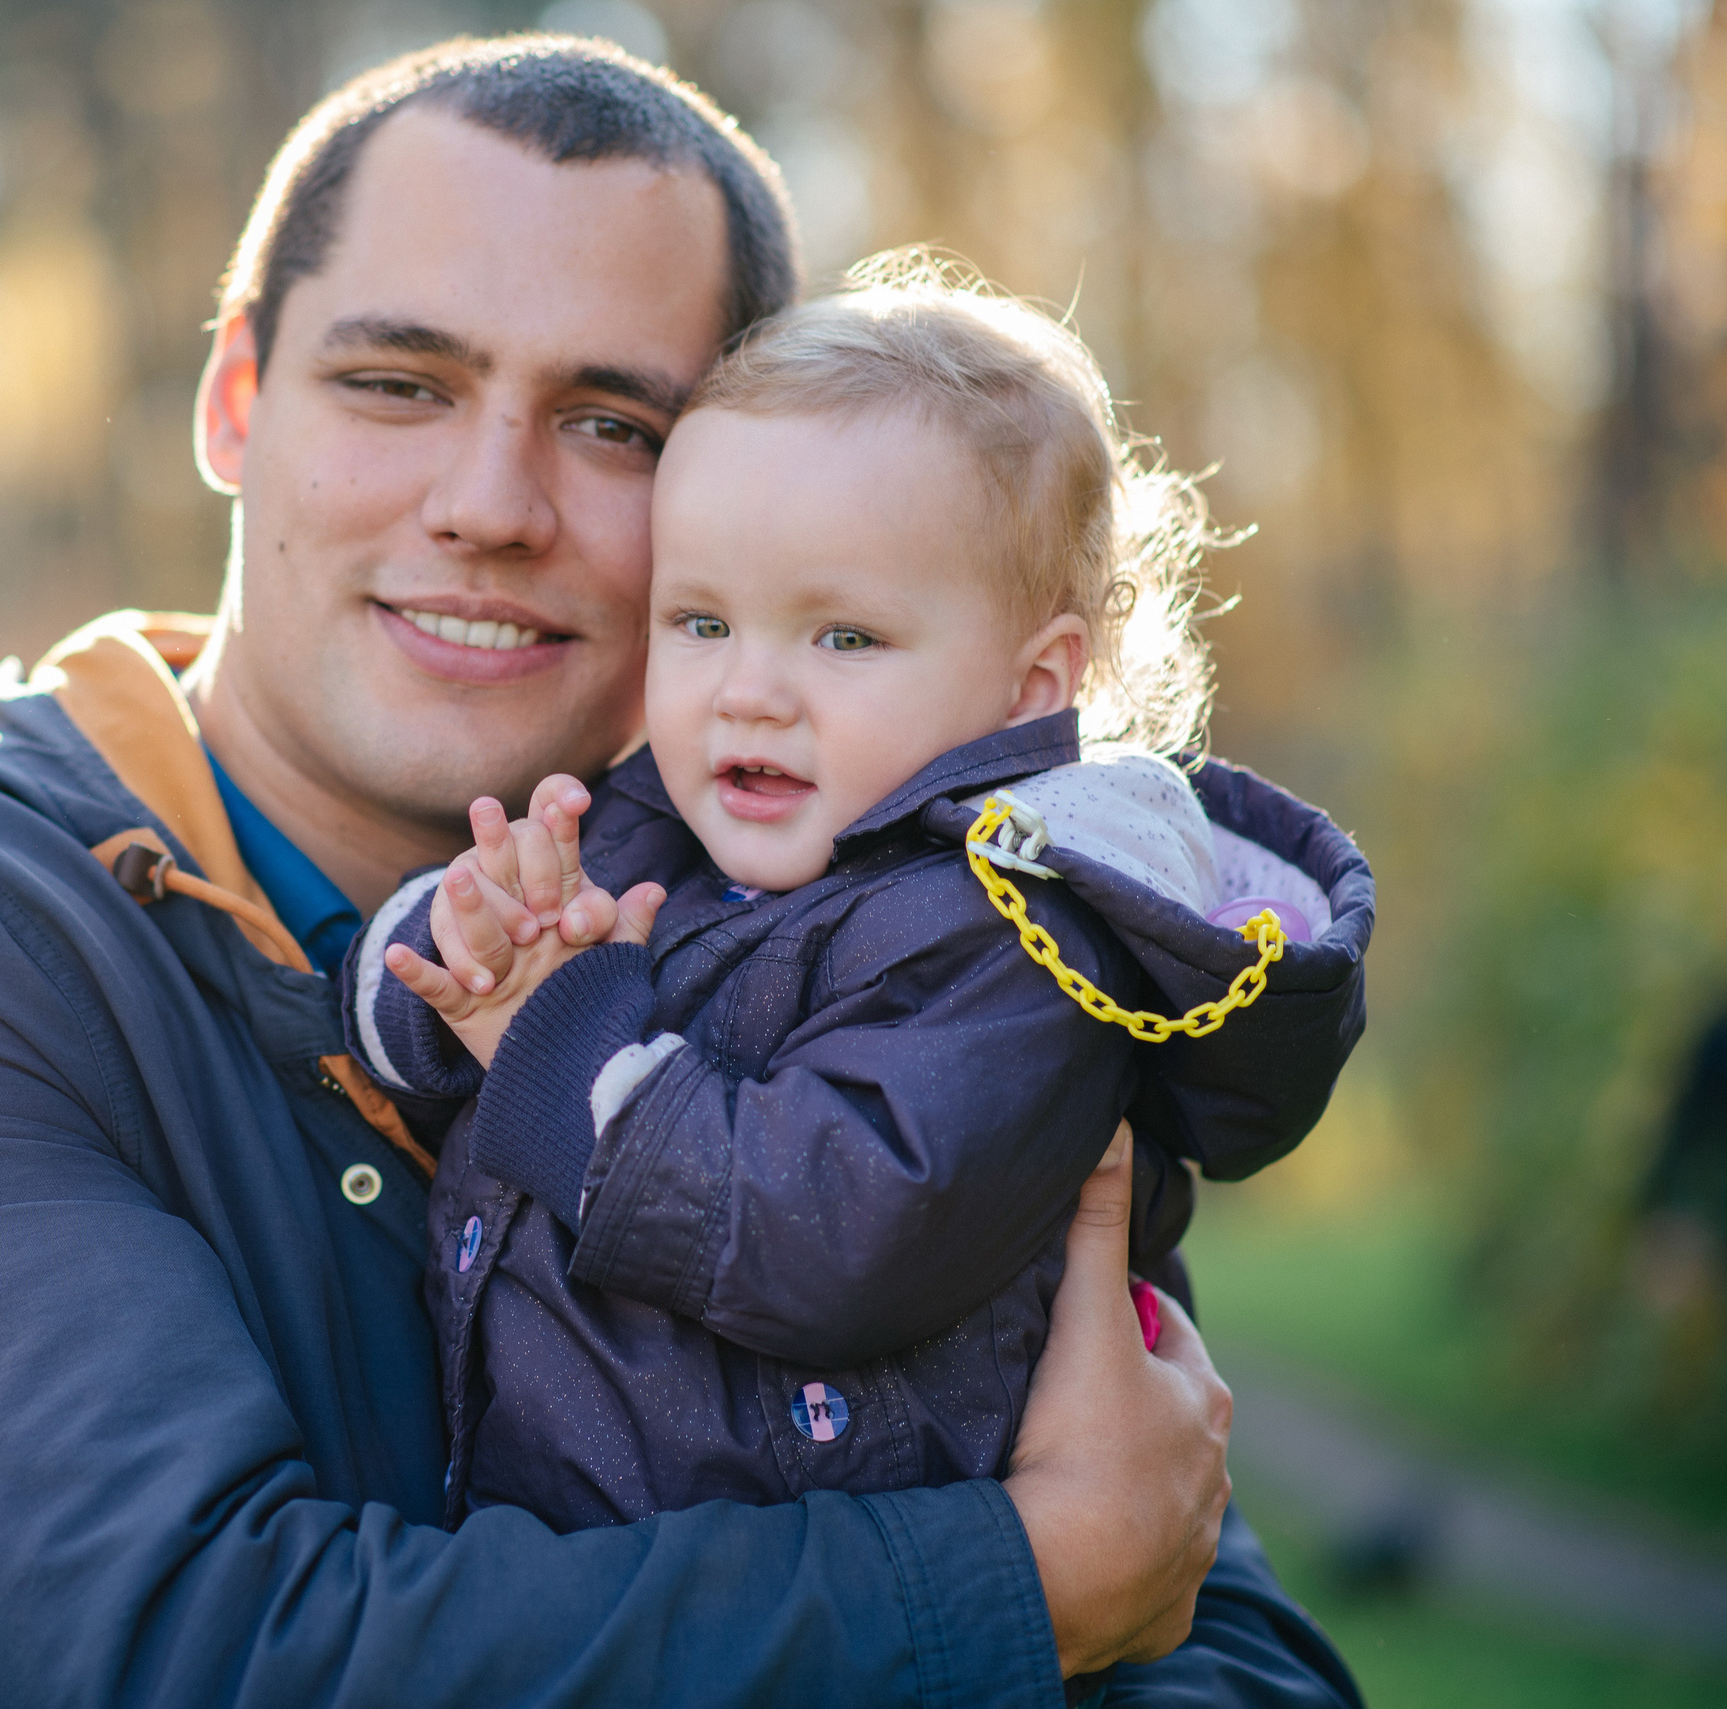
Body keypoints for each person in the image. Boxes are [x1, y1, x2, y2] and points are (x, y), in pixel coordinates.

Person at [0, 36, 1360, 1707]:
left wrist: (1101, 1582)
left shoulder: (877, 935)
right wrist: (1013, 1586)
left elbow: (1205, 1607)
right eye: (396, 382)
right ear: (235, 401)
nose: (489, 502)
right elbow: (189, 1654)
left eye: (613, 422)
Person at [340, 258, 1373, 1540]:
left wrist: (555, 1031)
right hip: (582, 1568)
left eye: (842, 638)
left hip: (812, 1599)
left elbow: (822, 1233)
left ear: (1032, 683)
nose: (748, 691)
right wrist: (461, 963)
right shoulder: (651, 820)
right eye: (701, 621)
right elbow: (451, 1034)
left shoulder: (1013, 947)